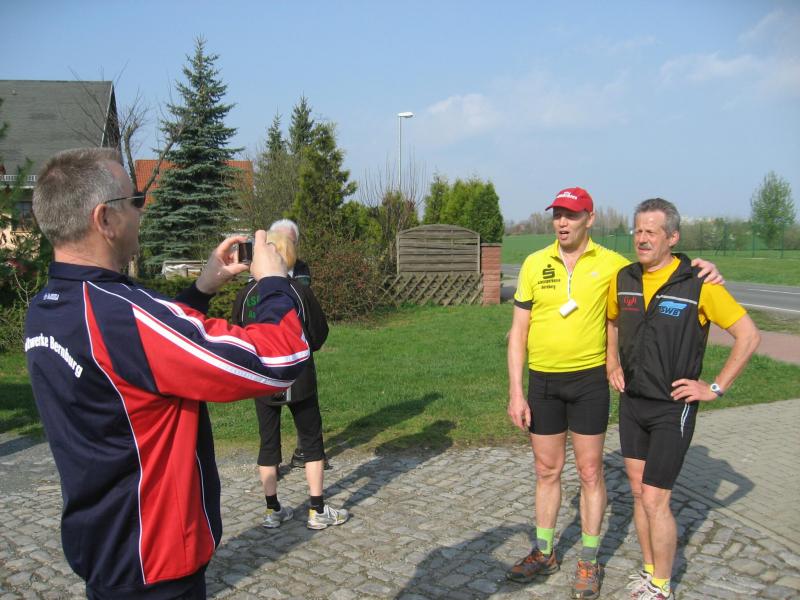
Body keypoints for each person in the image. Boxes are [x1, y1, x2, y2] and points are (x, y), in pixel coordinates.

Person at [24, 148, 310, 599]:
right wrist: (274, 282)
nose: (142, 211)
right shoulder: (122, 317)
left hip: (104, 546)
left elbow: (139, 361)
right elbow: (279, 361)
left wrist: (202, 288)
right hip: (153, 559)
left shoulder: (48, 307)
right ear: (105, 219)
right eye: (134, 200)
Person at [506, 187, 722, 599]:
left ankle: (588, 559)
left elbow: (660, 265)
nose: (562, 222)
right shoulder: (534, 263)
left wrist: (704, 268)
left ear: (590, 219)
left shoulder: (615, 266)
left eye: (571, 215)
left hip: (588, 382)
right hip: (542, 381)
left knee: (590, 473)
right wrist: (517, 392)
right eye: (557, 215)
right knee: (546, 470)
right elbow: (518, 332)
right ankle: (544, 551)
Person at [606, 198, 759, 600]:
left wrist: (715, 388)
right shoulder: (624, 278)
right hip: (632, 403)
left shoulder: (698, 284)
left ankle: (662, 585)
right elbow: (612, 320)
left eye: (651, 232)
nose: (642, 238)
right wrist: (611, 362)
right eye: (638, 230)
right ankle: (649, 571)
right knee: (638, 492)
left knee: (656, 498)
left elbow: (748, 335)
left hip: (672, 407)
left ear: (672, 237)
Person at [232, 231, 349, 530]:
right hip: (299, 374)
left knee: (268, 442)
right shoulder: (299, 291)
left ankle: (272, 509)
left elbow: (237, 333)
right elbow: (319, 332)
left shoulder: (246, 295)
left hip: (262, 377)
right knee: (311, 440)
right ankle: (317, 509)